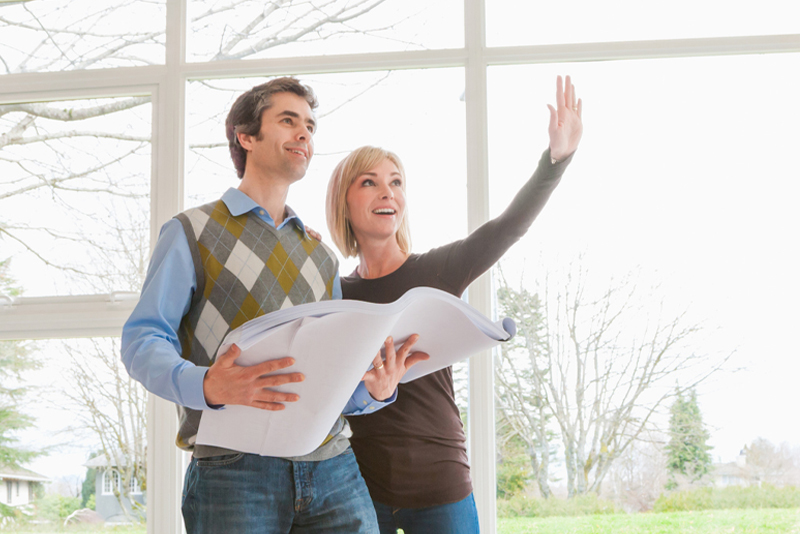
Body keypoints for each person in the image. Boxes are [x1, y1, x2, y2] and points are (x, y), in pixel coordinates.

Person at [121, 77, 426, 534]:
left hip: (332, 466)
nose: (304, 134)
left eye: (309, 125)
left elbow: (330, 374)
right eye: (288, 121)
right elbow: (142, 339)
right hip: (233, 474)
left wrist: (373, 392)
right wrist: (206, 384)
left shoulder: (320, 255)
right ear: (246, 137)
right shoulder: (191, 231)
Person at [325, 75, 583, 533]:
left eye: (396, 182)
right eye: (370, 182)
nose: (388, 192)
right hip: (361, 488)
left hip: (440, 486)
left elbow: (508, 228)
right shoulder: (334, 293)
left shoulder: (438, 270)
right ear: (344, 204)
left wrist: (555, 161)